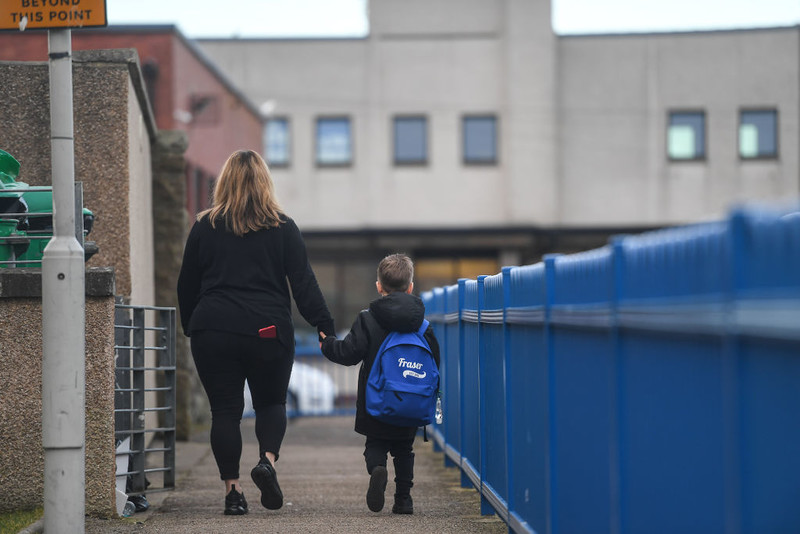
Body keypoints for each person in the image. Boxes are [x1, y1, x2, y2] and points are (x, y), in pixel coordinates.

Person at [177, 149, 335, 515]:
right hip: (267, 329)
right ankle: (266, 462)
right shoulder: (283, 227)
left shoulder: (204, 226)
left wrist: (192, 326)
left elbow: (187, 284)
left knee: (225, 412)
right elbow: (304, 284)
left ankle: (232, 493)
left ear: (224, 182)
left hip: (213, 328)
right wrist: (323, 325)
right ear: (265, 182)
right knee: (270, 403)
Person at [319, 253, 440, 514]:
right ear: (410, 287)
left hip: (376, 402)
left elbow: (348, 353)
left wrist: (327, 344)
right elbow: (434, 365)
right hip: (410, 402)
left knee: (375, 445)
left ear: (378, 286)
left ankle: (377, 469)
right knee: (405, 451)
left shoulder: (368, 319)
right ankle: (403, 500)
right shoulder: (423, 325)